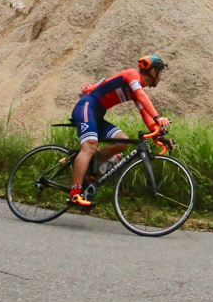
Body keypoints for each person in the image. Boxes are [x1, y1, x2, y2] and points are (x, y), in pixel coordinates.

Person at [68, 55, 171, 207]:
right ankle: (75, 194)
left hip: (96, 113)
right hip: (86, 106)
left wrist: (159, 134)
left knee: (122, 142)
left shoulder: (136, 89)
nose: (160, 78)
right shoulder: (132, 75)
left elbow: (145, 113)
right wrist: (158, 117)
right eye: (161, 73)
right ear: (154, 72)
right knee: (90, 145)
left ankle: (91, 167)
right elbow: (142, 97)